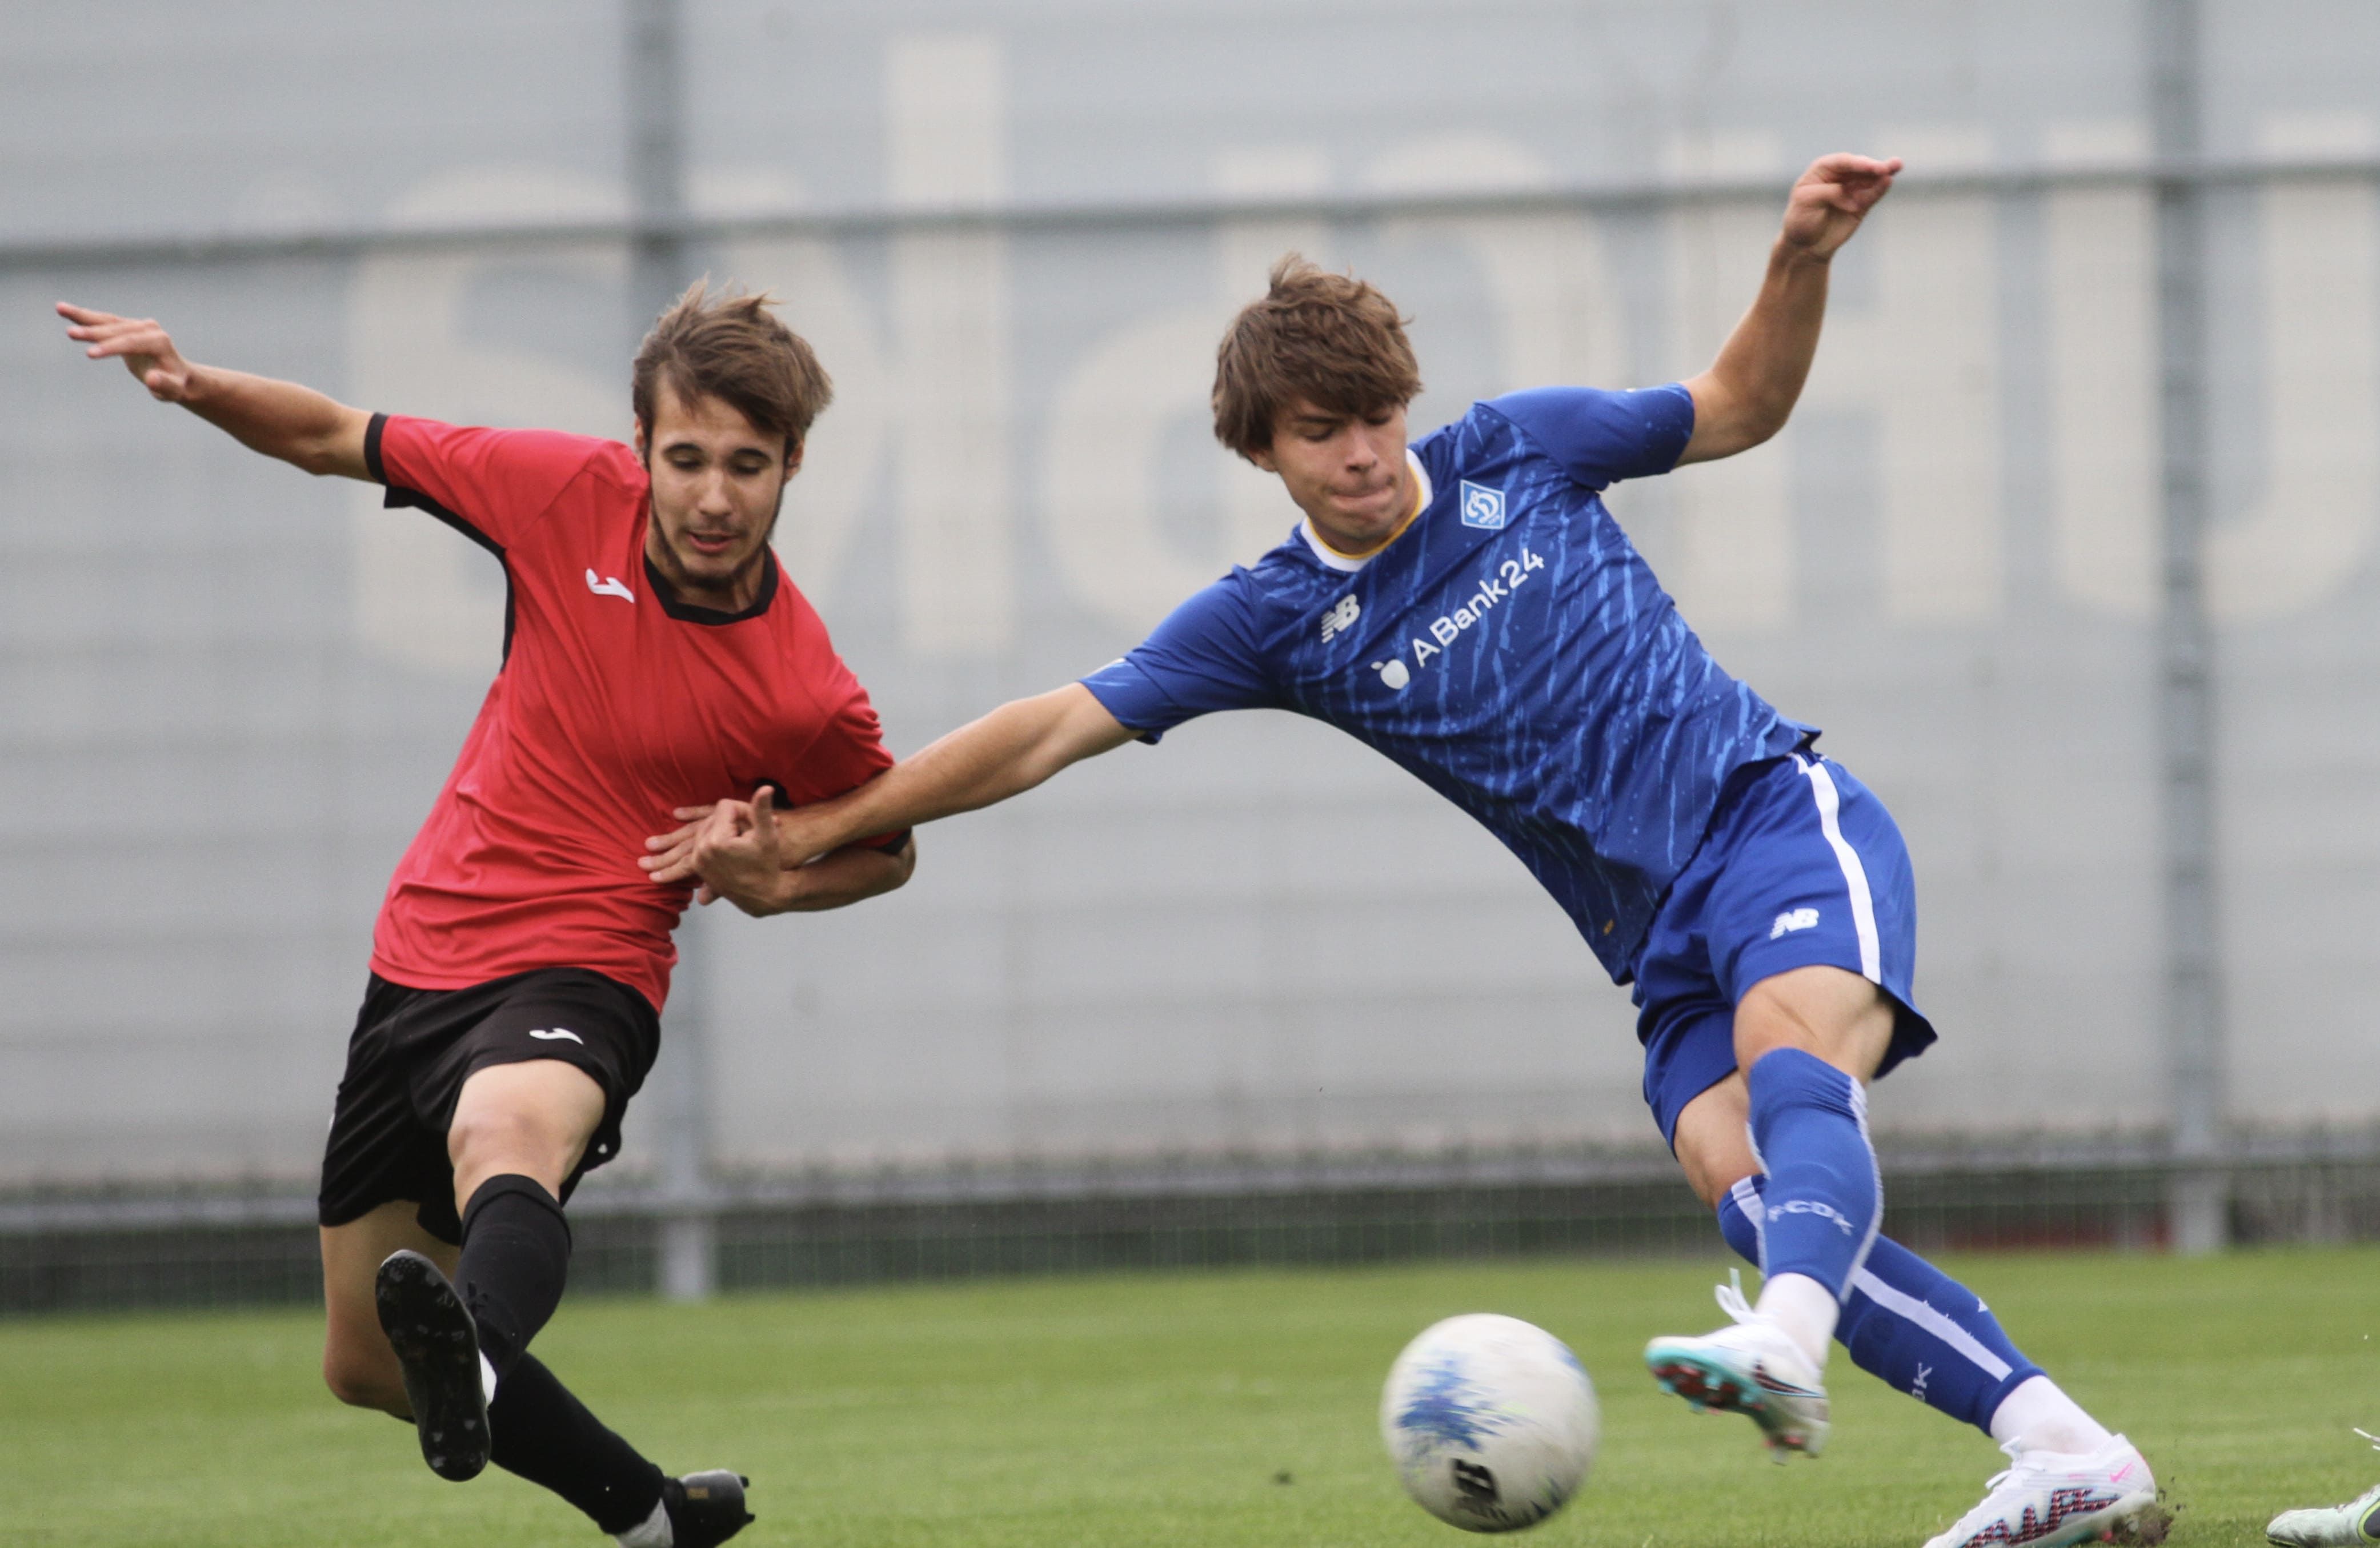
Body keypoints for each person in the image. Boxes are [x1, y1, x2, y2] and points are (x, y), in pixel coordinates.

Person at [645, 156, 2166, 1548]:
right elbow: (1051, 726)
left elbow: (1736, 405)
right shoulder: (1274, 620)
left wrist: (1798, 258)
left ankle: (1781, 1336)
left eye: (1377, 415)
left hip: (1770, 822)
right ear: (1264, 449)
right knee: (1747, 1185)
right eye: (1323, 431)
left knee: (1789, 1068)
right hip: (1648, 947)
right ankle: (2062, 1448)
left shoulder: (1522, 451)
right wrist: (823, 827)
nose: (1364, 453)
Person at [60, 282, 916, 1548]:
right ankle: (656, 1514)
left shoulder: (802, 682)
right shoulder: (557, 494)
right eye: (686, 459)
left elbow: (888, 847)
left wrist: (775, 876)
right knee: (365, 1363)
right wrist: (197, 384)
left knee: (505, 1128)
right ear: (641, 449)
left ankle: (490, 1344)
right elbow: (332, 436)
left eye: (747, 464)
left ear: (794, 463)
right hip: (420, 950)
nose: (715, 496)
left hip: (593, 960)